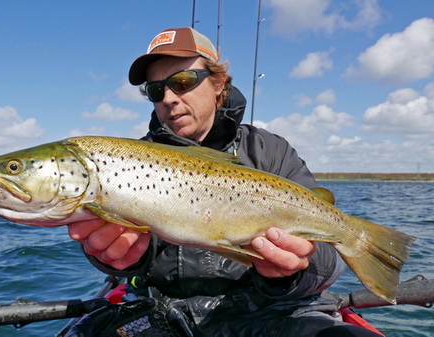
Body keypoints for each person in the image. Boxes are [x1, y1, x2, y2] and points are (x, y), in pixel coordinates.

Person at [66, 27, 382, 336]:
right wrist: (110, 259)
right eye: (155, 90)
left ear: (218, 83)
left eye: (182, 81)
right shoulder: (128, 164)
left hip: (271, 313)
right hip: (167, 316)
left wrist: (290, 271)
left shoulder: (270, 151)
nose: (169, 98)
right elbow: (122, 254)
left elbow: (325, 265)